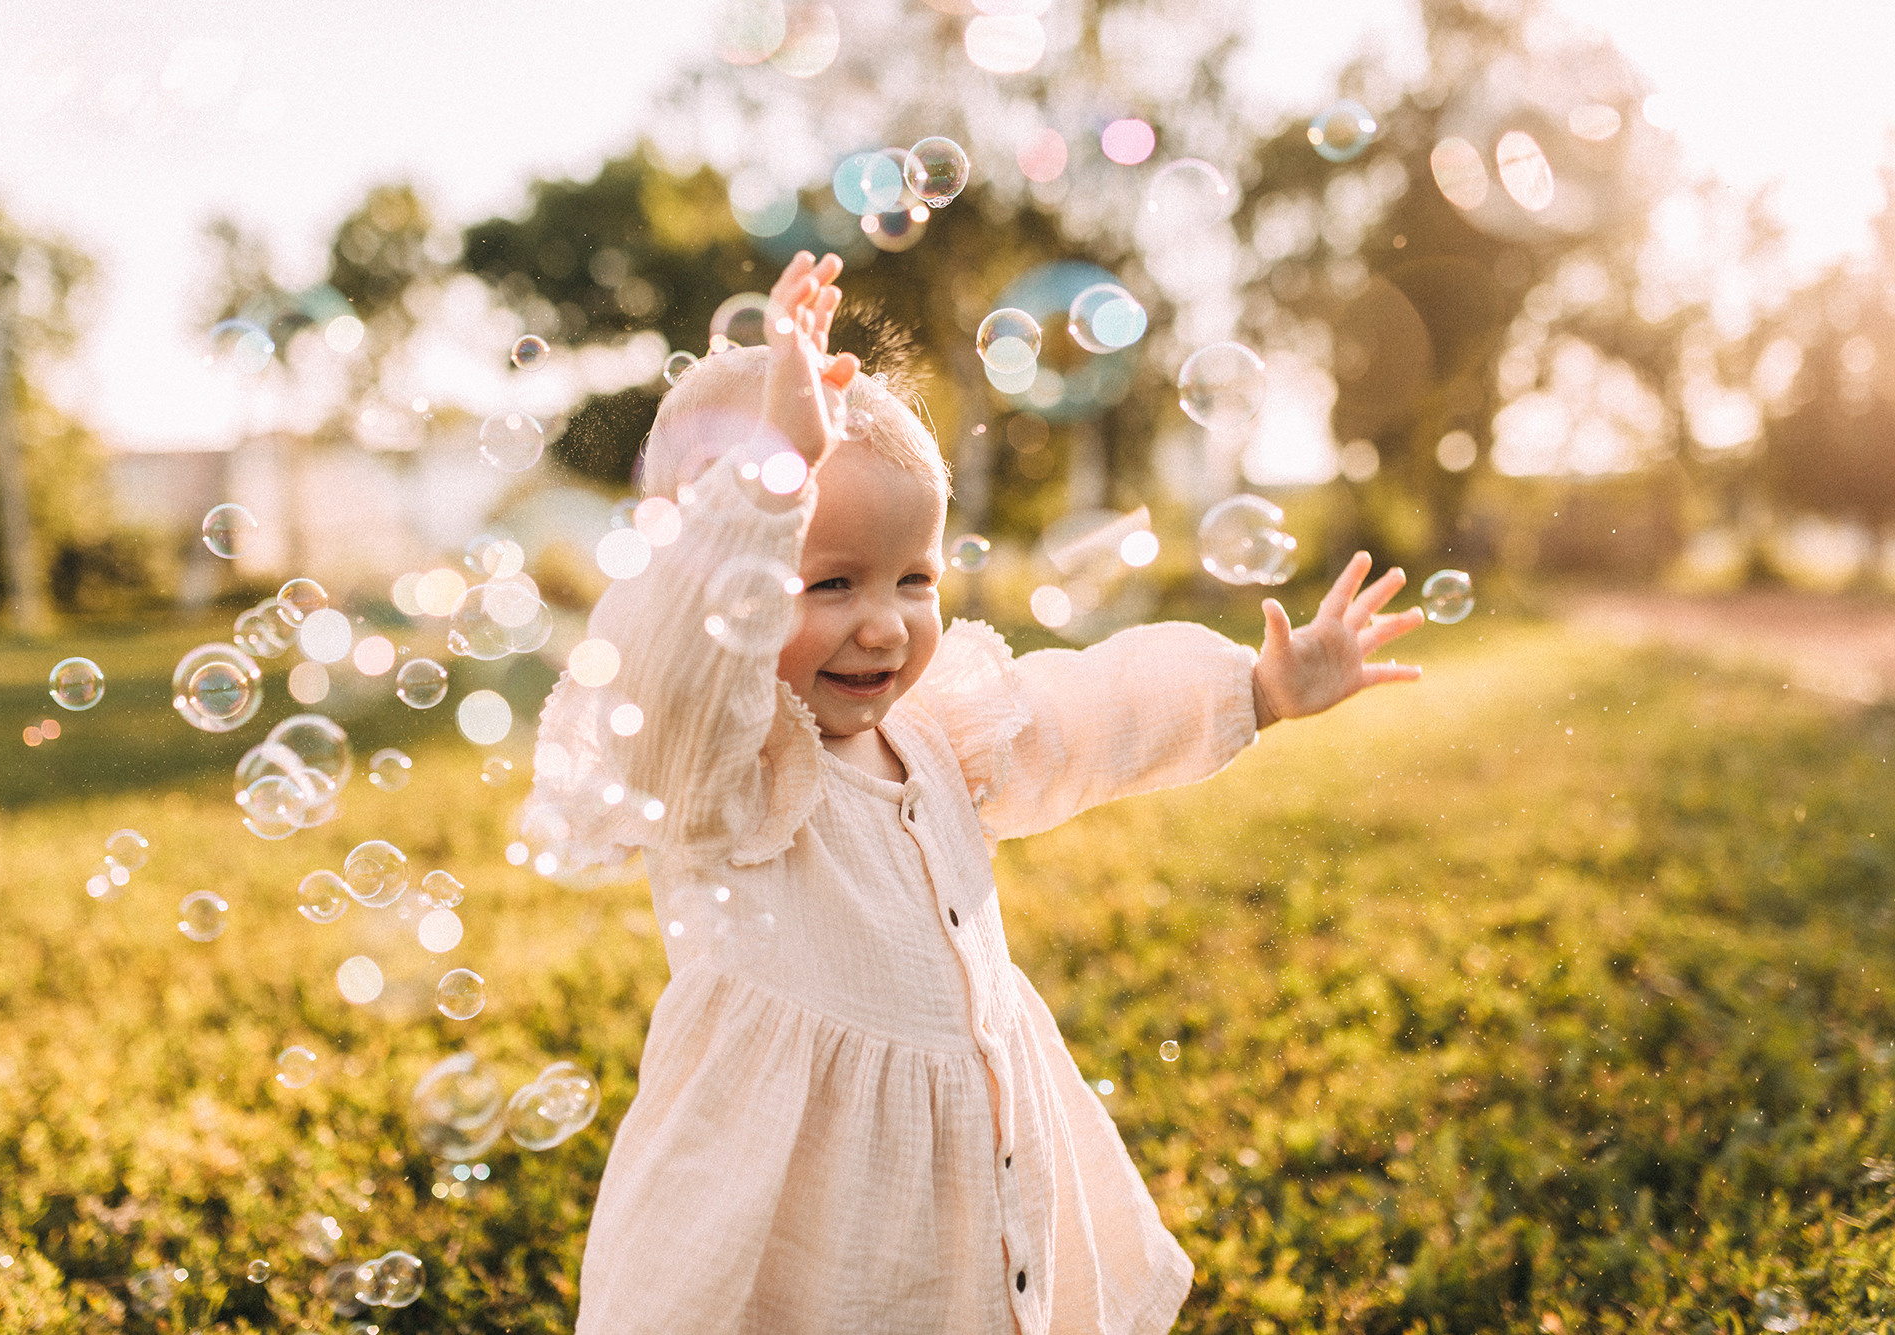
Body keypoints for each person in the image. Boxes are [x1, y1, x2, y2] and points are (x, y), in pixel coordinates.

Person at [523, 251, 1425, 1334]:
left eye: (913, 578)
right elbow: (678, 659)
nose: (884, 623)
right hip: (804, 1218)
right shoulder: (730, 768)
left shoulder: (940, 734)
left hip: (963, 1179)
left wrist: (1255, 688)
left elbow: (1087, 713)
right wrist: (770, 472)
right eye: (826, 583)